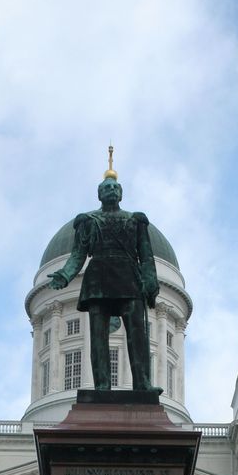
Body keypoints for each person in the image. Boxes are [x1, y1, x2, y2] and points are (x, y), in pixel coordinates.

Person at [47, 160, 159, 392]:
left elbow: (146, 256)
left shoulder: (135, 220)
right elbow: (78, 255)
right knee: (98, 336)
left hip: (129, 277)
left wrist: (150, 281)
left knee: (138, 333)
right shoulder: (88, 222)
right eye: (106, 188)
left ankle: (142, 383)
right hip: (98, 279)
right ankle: (101, 386)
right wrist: (65, 275)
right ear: (99, 195)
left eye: (115, 188)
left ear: (121, 194)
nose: (111, 191)